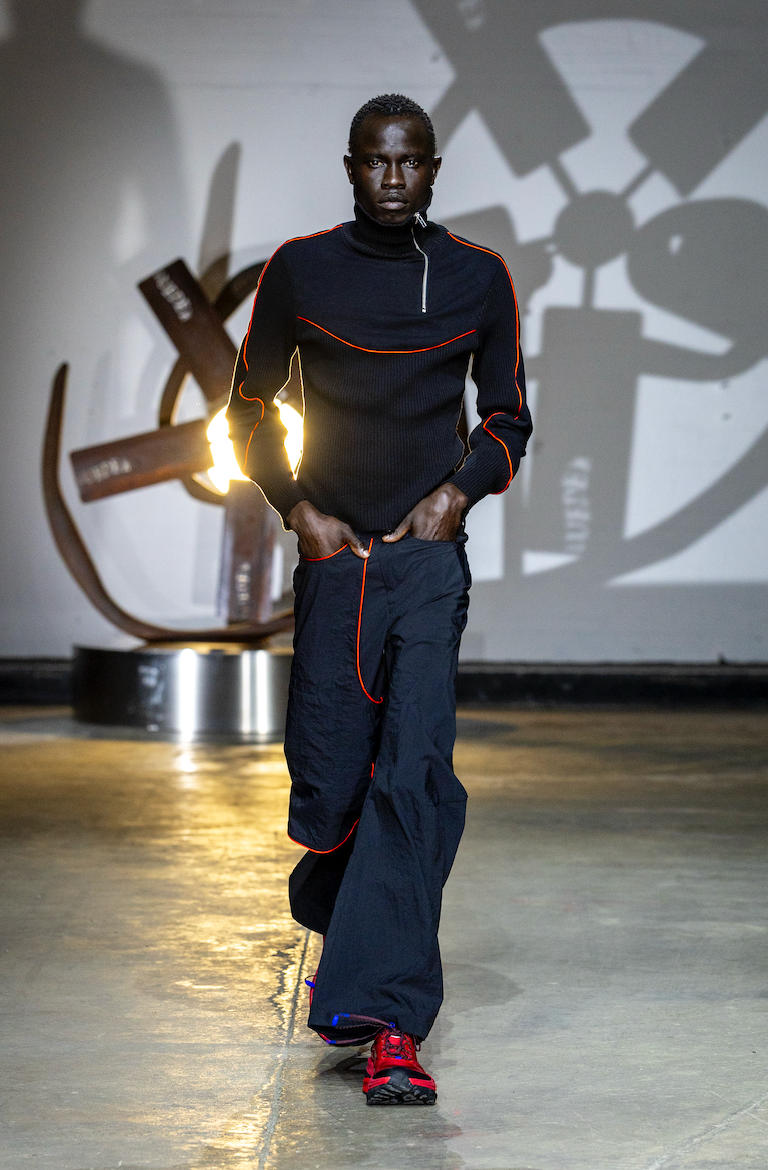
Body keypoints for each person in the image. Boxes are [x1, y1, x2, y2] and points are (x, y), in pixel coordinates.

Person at [227, 93, 531, 1106]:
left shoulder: (479, 276)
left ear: (433, 170)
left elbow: (507, 419)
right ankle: (351, 939)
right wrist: (297, 509)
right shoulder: (301, 270)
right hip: (334, 564)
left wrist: (455, 496)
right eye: (376, 161)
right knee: (331, 789)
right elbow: (249, 407)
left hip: (425, 570)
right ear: (351, 166)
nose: (393, 178)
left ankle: (390, 1022)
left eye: (411, 162)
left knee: (414, 776)